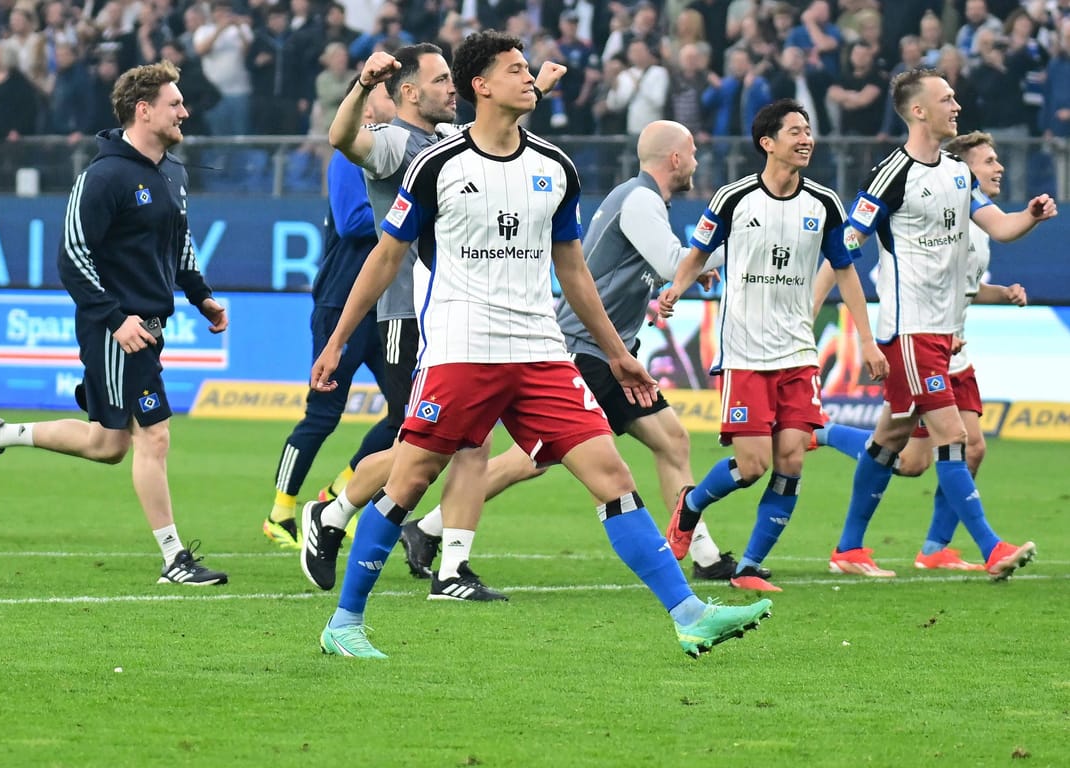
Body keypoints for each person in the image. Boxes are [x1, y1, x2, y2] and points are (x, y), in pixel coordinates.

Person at [308, 30, 773, 659]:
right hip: (460, 350)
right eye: (516, 69)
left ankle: (689, 614)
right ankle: (344, 624)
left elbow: (575, 272)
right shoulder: (436, 167)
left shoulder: (554, 168)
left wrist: (615, 352)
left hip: (540, 352)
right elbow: (386, 258)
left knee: (613, 474)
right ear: (483, 85)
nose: (530, 78)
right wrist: (337, 341)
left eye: (529, 69)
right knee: (411, 481)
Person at [385, 120, 753, 585]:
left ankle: (703, 553)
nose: (697, 161)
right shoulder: (639, 199)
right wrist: (734, 247)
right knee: (537, 458)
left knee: (669, 440)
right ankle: (416, 523)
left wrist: (682, 277)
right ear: (675, 159)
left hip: (600, 348)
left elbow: (652, 269)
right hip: (585, 348)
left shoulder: (639, 201)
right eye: (693, 152)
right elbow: (670, 261)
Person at [289, 43, 560, 601]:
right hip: (408, 314)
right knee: (430, 444)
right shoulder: (394, 143)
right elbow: (342, 140)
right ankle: (337, 512)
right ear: (408, 92)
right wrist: (362, 86)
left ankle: (440, 560)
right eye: (440, 82)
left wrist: (535, 89)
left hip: (452, 312)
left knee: (461, 440)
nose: (451, 90)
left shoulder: (445, 142)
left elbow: (495, 131)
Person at [0, 62, 230, 586]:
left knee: (110, 444)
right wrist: (115, 318)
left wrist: (202, 296)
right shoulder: (102, 177)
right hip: (115, 330)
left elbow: (180, 241)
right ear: (143, 110)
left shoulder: (173, 173)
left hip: (147, 323)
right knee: (156, 436)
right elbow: (72, 255)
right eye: (175, 104)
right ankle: (175, 559)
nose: (185, 112)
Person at [825, 68, 1049, 580]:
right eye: (946, 98)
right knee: (953, 436)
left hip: (942, 335)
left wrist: (1031, 215)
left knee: (894, 442)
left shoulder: (956, 174)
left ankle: (848, 548)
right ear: (918, 110)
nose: (957, 106)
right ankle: (992, 547)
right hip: (908, 330)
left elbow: (1001, 225)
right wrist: (858, 333)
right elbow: (844, 250)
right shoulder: (889, 175)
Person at [657, 99, 888, 593]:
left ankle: (748, 568)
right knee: (752, 466)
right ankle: (691, 506)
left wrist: (866, 341)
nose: (806, 139)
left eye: (809, 131)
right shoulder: (733, 198)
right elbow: (697, 251)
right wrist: (676, 287)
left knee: (791, 460)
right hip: (744, 353)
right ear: (768, 142)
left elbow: (845, 270)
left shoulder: (824, 203)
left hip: (798, 353)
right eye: (795, 132)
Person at [266, 82, 399, 563]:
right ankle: (279, 512)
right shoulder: (350, 153)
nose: (396, 98)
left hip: (386, 308)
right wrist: (409, 213)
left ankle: (337, 493)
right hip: (340, 303)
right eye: (388, 93)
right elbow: (350, 221)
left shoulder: (394, 154)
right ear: (366, 103)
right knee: (322, 413)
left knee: (407, 415)